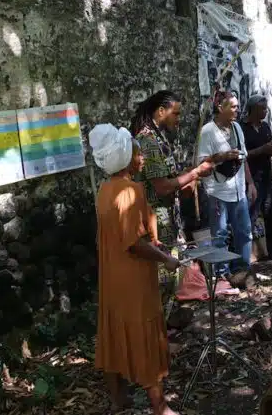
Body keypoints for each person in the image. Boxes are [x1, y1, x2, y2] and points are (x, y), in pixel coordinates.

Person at [90, 124, 181, 415]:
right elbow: (133, 244)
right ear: (126, 158)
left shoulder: (105, 190)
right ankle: (160, 406)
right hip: (132, 277)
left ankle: (119, 400)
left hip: (112, 274)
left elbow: (123, 236)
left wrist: (153, 244)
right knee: (143, 334)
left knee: (114, 331)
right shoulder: (129, 190)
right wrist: (164, 258)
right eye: (138, 154)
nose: (142, 159)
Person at [132, 91, 216, 303]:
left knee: (170, 278)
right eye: (176, 114)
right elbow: (161, 187)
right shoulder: (148, 142)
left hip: (169, 220)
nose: (179, 120)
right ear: (161, 111)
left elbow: (170, 177)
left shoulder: (159, 139)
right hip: (158, 223)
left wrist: (191, 174)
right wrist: (195, 173)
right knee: (163, 279)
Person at [197, 91, 257, 278]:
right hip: (218, 191)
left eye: (237, 106)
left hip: (238, 190)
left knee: (244, 232)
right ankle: (222, 274)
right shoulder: (208, 131)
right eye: (232, 106)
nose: (237, 109)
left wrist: (250, 183)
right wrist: (222, 156)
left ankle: (243, 270)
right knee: (220, 235)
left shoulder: (237, 128)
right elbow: (201, 163)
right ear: (219, 108)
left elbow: (244, 157)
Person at [243, 95, 272, 259]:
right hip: (251, 177)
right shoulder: (242, 128)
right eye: (262, 109)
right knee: (251, 214)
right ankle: (249, 254)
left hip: (266, 175)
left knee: (271, 213)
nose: (266, 112)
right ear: (253, 109)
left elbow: (270, 146)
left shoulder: (265, 127)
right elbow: (242, 155)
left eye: (266, 108)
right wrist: (262, 150)